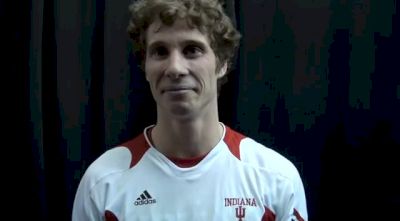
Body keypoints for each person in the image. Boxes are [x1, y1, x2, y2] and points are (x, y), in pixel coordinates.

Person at [72, 0, 308, 220]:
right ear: (145, 67)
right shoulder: (102, 183)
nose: (175, 68)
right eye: (160, 51)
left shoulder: (276, 180)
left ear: (222, 62)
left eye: (192, 49)